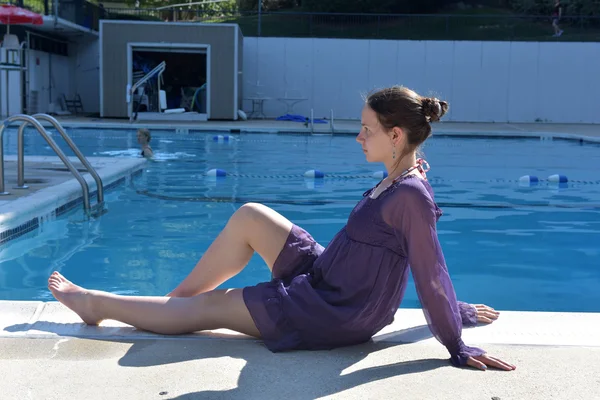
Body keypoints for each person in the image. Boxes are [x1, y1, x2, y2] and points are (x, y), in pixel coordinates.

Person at [48, 86, 515, 371]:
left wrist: (454, 338)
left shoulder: (411, 194)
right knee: (251, 213)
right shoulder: (402, 177)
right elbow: (407, 259)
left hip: (335, 312)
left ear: (396, 136)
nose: (358, 136)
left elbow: (427, 267)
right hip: (329, 278)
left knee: (214, 307)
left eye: (366, 129)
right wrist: (458, 305)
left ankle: (97, 306)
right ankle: (173, 307)